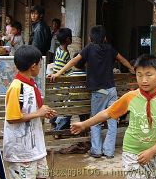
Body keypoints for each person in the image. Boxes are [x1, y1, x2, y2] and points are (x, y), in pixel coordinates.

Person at [71, 54, 156, 179]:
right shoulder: (130, 97)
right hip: (131, 153)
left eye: (148, 75)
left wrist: (152, 151)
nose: (144, 80)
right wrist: (84, 124)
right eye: (139, 75)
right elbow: (107, 113)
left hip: (155, 154)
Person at [49, 25, 135, 159]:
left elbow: (74, 61)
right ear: (105, 38)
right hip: (111, 90)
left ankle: (96, 150)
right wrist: (132, 69)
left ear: (90, 38)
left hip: (99, 92)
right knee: (112, 121)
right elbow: (122, 59)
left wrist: (59, 72)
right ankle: (109, 152)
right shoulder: (110, 48)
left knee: (95, 121)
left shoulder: (89, 48)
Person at [3, 45, 57, 179]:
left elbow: (30, 108)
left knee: (42, 175)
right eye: (39, 64)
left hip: (35, 143)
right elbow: (12, 117)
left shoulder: (30, 84)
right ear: (33, 66)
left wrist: (43, 112)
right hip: (21, 146)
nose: (40, 67)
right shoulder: (16, 87)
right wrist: (39, 113)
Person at [51, 28, 73, 133]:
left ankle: (60, 125)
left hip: (60, 85)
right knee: (66, 108)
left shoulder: (59, 50)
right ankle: (58, 128)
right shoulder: (63, 53)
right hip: (62, 85)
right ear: (68, 39)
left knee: (61, 106)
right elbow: (59, 70)